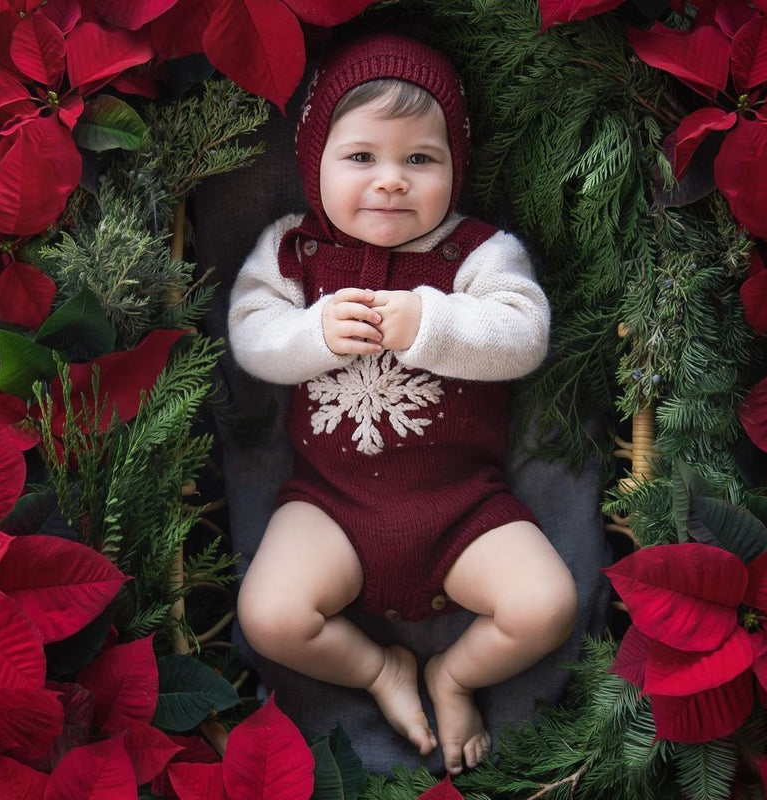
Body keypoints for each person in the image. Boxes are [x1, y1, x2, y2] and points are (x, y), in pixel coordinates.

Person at [227, 32, 578, 776]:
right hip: (329, 507)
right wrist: (312, 333)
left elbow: (525, 334)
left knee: (546, 605)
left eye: (420, 159)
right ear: (312, 160)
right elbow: (252, 338)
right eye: (361, 158)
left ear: (456, 167)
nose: (390, 181)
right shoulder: (292, 253)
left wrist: (434, 323)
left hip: (464, 509)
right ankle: (378, 669)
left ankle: (455, 674)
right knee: (268, 616)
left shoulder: (477, 254)